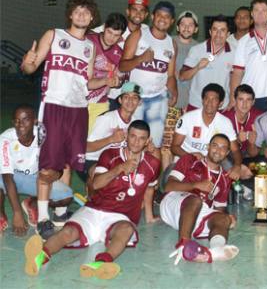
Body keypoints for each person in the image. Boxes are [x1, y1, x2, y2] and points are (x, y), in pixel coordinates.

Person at [23, 120, 161, 280]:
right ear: (126, 136)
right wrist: (119, 169)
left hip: (121, 216)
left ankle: (100, 264)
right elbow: (96, 184)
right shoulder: (110, 155)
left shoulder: (153, 164)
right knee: (68, 232)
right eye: (133, 136)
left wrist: (149, 215)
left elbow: (150, 188)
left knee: (126, 230)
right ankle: (39, 257)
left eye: (141, 138)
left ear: (148, 140)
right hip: (94, 209)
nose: (136, 142)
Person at [20, 0, 98, 238]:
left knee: (68, 163)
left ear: (92, 17)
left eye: (86, 12)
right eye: (78, 11)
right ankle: (43, 217)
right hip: (53, 106)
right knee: (48, 166)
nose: (82, 15)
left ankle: (61, 211)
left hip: (79, 110)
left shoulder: (90, 47)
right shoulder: (54, 35)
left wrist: (109, 80)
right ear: (70, 15)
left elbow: (87, 81)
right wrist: (27, 63)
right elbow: (32, 67)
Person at [161, 134, 239, 264]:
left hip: (197, 212)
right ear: (208, 147)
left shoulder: (225, 179)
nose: (218, 150)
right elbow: (168, 186)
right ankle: (184, 245)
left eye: (223, 148)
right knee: (194, 199)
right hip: (173, 202)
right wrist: (195, 185)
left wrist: (227, 219)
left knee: (223, 218)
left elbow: (219, 208)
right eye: (215, 145)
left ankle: (215, 250)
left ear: (227, 153)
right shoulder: (190, 160)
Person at [0, 105, 73, 235]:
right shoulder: (6, 139)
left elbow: (59, 162)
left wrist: (57, 173)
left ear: (34, 121)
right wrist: (17, 214)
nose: (20, 124)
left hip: (35, 179)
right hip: (11, 177)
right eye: (17, 121)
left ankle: (33, 203)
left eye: (25, 120)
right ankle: (1, 215)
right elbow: (7, 178)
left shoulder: (44, 135)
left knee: (66, 197)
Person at [119, 1, 178, 149]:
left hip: (158, 99)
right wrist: (140, 58)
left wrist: (174, 91)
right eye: (159, 15)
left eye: (167, 17)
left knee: (154, 143)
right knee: (131, 141)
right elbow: (122, 66)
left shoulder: (172, 44)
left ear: (172, 21)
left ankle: (149, 172)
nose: (163, 19)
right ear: (152, 16)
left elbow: (170, 75)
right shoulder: (138, 35)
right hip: (134, 98)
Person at [229, 0, 267, 111]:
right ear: (252, 14)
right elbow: (237, 73)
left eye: (264, 10)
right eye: (256, 10)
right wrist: (233, 98)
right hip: (251, 98)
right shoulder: (244, 41)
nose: (260, 14)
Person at [170, 84, 242, 180]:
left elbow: (235, 150)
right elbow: (174, 147)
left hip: (214, 160)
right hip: (186, 157)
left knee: (239, 172)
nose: (209, 102)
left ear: (220, 103)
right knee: (175, 182)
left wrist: (237, 166)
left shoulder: (225, 122)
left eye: (214, 99)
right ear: (202, 100)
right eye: (207, 98)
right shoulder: (187, 118)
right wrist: (191, 156)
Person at [83, 83, 145, 191]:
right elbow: (86, 147)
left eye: (134, 98)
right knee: (103, 174)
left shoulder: (136, 122)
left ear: (139, 102)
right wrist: (111, 139)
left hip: (117, 160)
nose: (130, 101)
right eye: (126, 97)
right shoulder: (107, 118)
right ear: (120, 100)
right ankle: (91, 194)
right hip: (93, 160)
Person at [95, 0, 150, 111]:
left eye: (142, 11)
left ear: (146, 14)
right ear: (127, 11)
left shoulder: (148, 33)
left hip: (134, 96)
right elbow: (88, 36)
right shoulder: (115, 27)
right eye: (134, 9)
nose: (138, 14)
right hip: (111, 93)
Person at [180, 15, 233, 111]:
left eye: (222, 30)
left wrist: (232, 100)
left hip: (222, 106)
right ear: (210, 32)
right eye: (215, 29)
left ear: (228, 34)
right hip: (197, 105)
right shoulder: (196, 50)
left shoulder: (235, 52)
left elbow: (235, 80)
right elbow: (182, 76)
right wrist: (197, 67)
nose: (218, 33)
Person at [86, 13, 127, 133]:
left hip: (99, 102)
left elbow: (119, 80)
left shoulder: (119, 54)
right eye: (109, 32)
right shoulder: (88, 39)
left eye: (116, 35)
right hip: (77, 98)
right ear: (104, 28)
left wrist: (116, 82)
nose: (111, 38)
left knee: (89, 141)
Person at [222, 84, 263, 156]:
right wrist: (238, 141)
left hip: (248, 153)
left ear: (253, 102)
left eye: (248, 100)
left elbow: (253, 154)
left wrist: (251, 143)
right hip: (228, 153)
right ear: (234, 100)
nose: (244, 104)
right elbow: (221, 150)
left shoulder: (259, 117)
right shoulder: (224, 118)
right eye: (241, 99)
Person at [173, 10, 199, 112]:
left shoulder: (200, 48)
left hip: (190, 103)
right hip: (169, 101)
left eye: (190, 25)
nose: (186, 28)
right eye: (183, 24)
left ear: (196, 29)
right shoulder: (168, 42)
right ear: (177, 27)